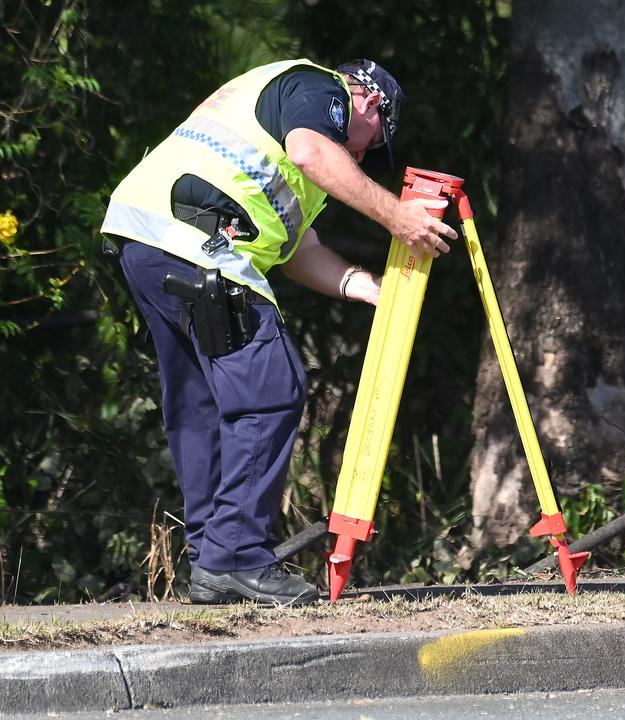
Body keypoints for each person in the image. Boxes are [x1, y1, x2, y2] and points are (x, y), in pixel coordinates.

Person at [100, 59, 457, 605]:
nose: (362, 156)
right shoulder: (322, 90)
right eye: (371, 142)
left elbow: (300, 253)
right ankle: (237, 557)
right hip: (199, 239)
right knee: (270, 391)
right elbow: (313, 152)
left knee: (200, 405)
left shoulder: (285, 134)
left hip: (145, 235)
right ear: (367, 99)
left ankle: (213, 559)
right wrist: (397, 217)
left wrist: (365, 286)